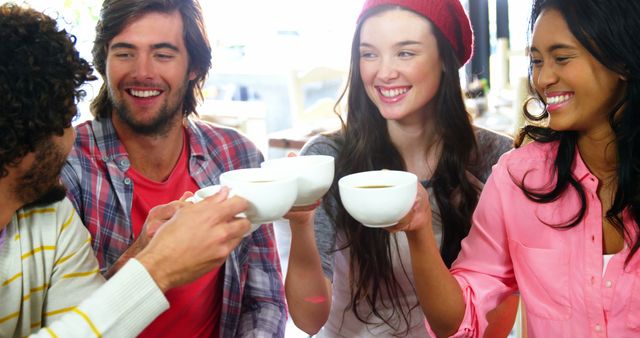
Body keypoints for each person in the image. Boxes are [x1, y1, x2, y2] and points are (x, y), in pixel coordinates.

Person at [0, 3, 252, 337]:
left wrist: (141, 254)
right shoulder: (66, 178)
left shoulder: (49, 212)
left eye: (163, 54)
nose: (73, 133)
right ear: (24, 133)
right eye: (65, 119)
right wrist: (158, 266)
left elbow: (81, 319)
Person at [394, 0, 640, 337]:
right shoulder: (519, 178)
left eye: (562, 58)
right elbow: (457, 321)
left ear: (623, 59)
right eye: (536, 61)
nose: (543, 78)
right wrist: (418, 230)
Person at [283, 0, 516, 336]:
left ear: (445, 60)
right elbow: (309, 319)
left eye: (405, 53)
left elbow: (498, 318)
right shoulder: (327, 159)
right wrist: (301, 225)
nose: (384, 72)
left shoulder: (495, 160)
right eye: (369, 54)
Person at [59, 0, 286, 336]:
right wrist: (143, 258)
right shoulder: (67, 163)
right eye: (125, 53)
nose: (142, 71)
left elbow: (264, 301)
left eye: (162, 54)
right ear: (104, 59)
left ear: (193, 65)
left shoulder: (238, 156)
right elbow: (62, 323)